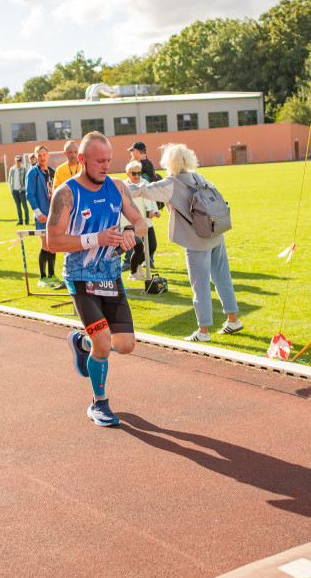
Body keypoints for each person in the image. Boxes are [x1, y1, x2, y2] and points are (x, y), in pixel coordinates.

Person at [47, 131, 147, 427]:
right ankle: (98, 404)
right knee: (103, 342)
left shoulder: (117, 187)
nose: (106, 166)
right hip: (80, 276)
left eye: (109, 160)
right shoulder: (66, 193)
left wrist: (130, 233)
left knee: (126, 345)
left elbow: (141, 222)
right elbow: (53, 242)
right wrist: (97, 238)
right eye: (99, 161)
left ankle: (83, 345)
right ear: (81, 160)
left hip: (110, 274)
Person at [128, 143, 242, 342]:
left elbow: (141, 191)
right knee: (223, 277)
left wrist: (118, 187)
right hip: (216, 233)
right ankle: (233, 320)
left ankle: (203, 331)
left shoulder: (170, 183)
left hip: (196, 240)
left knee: (200, 286)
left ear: (168, 162)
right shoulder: (199, 177)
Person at [122, 160, 160, 281]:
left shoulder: (145, 183)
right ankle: (132, 273)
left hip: (147, 223)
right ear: (128, 174)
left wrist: (155, 210)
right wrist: (146, 213)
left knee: (152, 247)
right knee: (138, 248)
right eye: (134, 173)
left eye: (139, 173)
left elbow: (151, 199)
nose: (137, 176)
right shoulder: (123, 187)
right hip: (131, 224)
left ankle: (137, 264)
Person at [26, 145, 57, 287]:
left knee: (53, 245)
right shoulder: (33, 173)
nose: (42, 157)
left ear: (48, 155)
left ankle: (52, 275)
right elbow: (30, 194)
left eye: (44, 154)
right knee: (45, 245)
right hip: (42, 216)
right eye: (39, 155)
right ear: (35, 157)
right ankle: (42, 277)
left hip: (54, 216)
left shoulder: (53, 172)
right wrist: (38, 213)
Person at [8, 156, 30, 225]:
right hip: (14, 191)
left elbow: (26, 179)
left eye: (20, 160)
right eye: (17, 160)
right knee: (18, 206)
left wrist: (24, 187)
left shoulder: (24, 169)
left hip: (22, 190)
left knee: (24, 206)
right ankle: (20, 221)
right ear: (15, 161)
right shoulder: (12, 169)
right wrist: (10, 188)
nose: (18, 162)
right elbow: (9, 179)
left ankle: (27, 221)